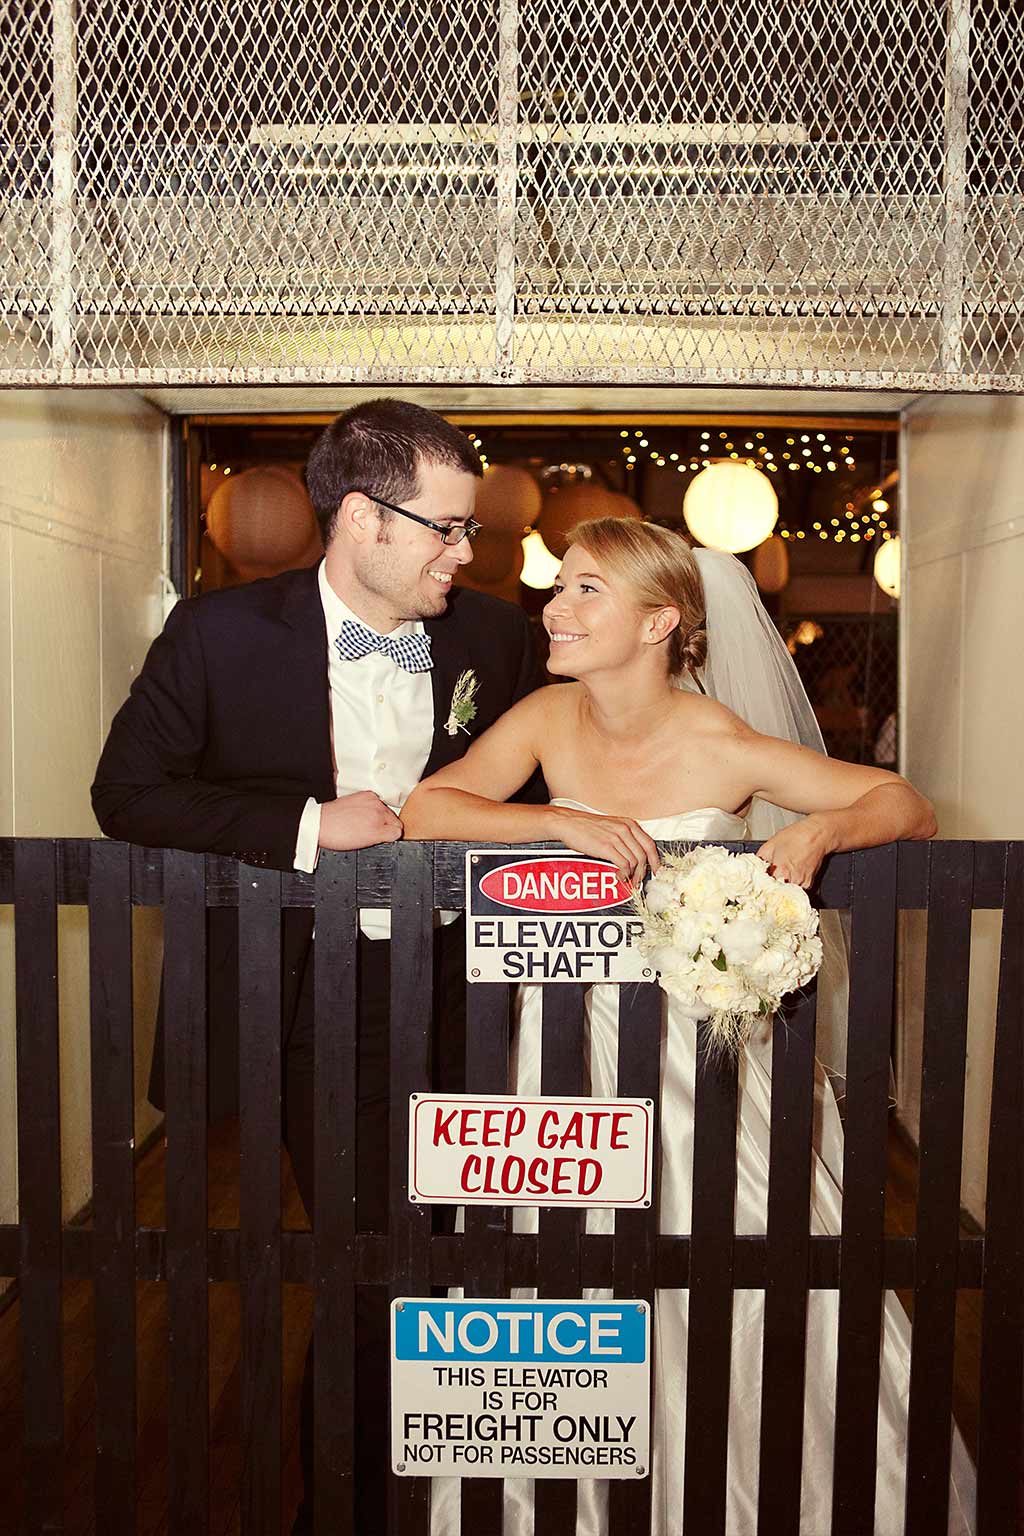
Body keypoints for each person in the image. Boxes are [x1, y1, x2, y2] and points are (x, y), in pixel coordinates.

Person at [402, 518, 976, 1536]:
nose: (554, 608)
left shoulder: (718, 739)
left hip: (694, 1050)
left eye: (585, 591)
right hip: (561, 1050)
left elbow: (905, 803)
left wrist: (824, 826)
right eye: (561, 588)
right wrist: (553, 819)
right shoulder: (542, 717)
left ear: (660, 620)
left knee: (739, 1247)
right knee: (560, 1259)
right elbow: (429, 809)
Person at [91, 398, 546, 1536]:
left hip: (470, 993)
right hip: (306, 1002)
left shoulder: (496, 638)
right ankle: (347, 1493)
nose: (464, 550)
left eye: (467, 530)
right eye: (445, 527)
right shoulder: (218, 633)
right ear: (360, 518)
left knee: (451, 1244)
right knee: (368, 1247)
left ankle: (431, 1473)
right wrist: (305, 825)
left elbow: (539, 796)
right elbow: (128, 794)